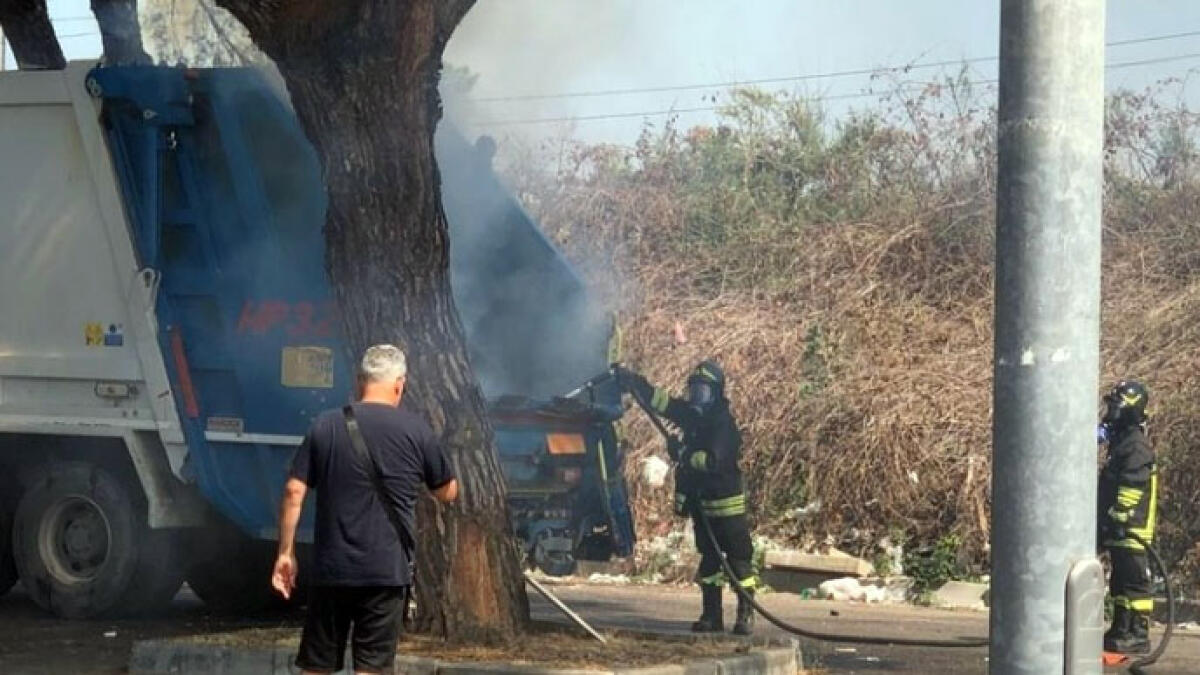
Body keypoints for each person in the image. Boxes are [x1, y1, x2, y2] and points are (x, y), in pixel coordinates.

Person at [273, 344, 459, 675]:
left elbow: (293, 491)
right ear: (400, 383)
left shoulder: (326, 425)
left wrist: (286, 553)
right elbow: (446, 491)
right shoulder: (417, 430)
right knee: (372, 668)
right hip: (385, 571)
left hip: (332, 569)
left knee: (317, 666)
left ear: (361, 381)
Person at [616, 360, 758, 635]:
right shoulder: (693, 417)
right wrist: (635, 382)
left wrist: (683, 454)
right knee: (710, 562)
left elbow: (714, 460)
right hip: (702, 505)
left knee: (739, 560)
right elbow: (663, 403)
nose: (696, 398)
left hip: (726, 505)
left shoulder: (723, 423)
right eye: (693, 391)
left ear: (715, 393)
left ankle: (745, 614)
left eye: (702, 393)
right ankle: (711, 616)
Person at [1097, 379, 1157, 655]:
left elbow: (1133, 484)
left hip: (1133, 529)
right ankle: (1121, 628)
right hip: (1119, 528)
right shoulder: (1123, 442)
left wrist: (1120, 516)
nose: (1110, 413)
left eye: (1115, 407)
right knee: (1120, 582)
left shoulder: (1136, 446)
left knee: (1134, 583)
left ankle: (1138, 633)